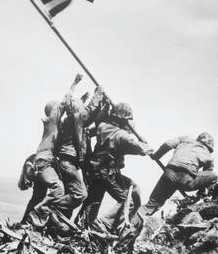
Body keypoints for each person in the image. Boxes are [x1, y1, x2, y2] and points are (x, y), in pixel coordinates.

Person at [76, 102, 153, 233]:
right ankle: (104, 225)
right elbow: (144, 150)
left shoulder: (103, 126)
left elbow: (94, 128)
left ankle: (81, 225)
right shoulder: (123, 136)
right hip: (107, 172)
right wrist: (144, 144)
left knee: (95, 199)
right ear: (124, 120)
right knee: (131, 201)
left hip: (95, 170)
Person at [25, 74, 83, 226]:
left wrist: (81, 100)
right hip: (45, 162)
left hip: (43, 162)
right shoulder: (52, 121)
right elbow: (64, 103)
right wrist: (74, 83)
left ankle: (25, 223)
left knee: (37, 195)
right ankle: (39, 212)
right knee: (58, 189)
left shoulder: (54, 125)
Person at [53, 85, 106, 218]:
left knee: (69, 194)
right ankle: (49, 207)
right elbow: (89, 111)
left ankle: (59, 223)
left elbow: (92, 122)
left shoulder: (75, 123)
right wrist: (98, 93)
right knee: (80, 194)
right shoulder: (76, 118)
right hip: (68, 163)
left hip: (67, 163)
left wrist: (105, 107)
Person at [139, 132, 218, 216]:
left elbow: (167, 144)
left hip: (169, 174)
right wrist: (201, 193)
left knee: (152, 204)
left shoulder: (184, 139)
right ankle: (202, 198)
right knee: (213, 176)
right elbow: (206, 176)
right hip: (186, 180)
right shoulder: (209, 156)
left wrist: (156, 156)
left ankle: (133, 217)